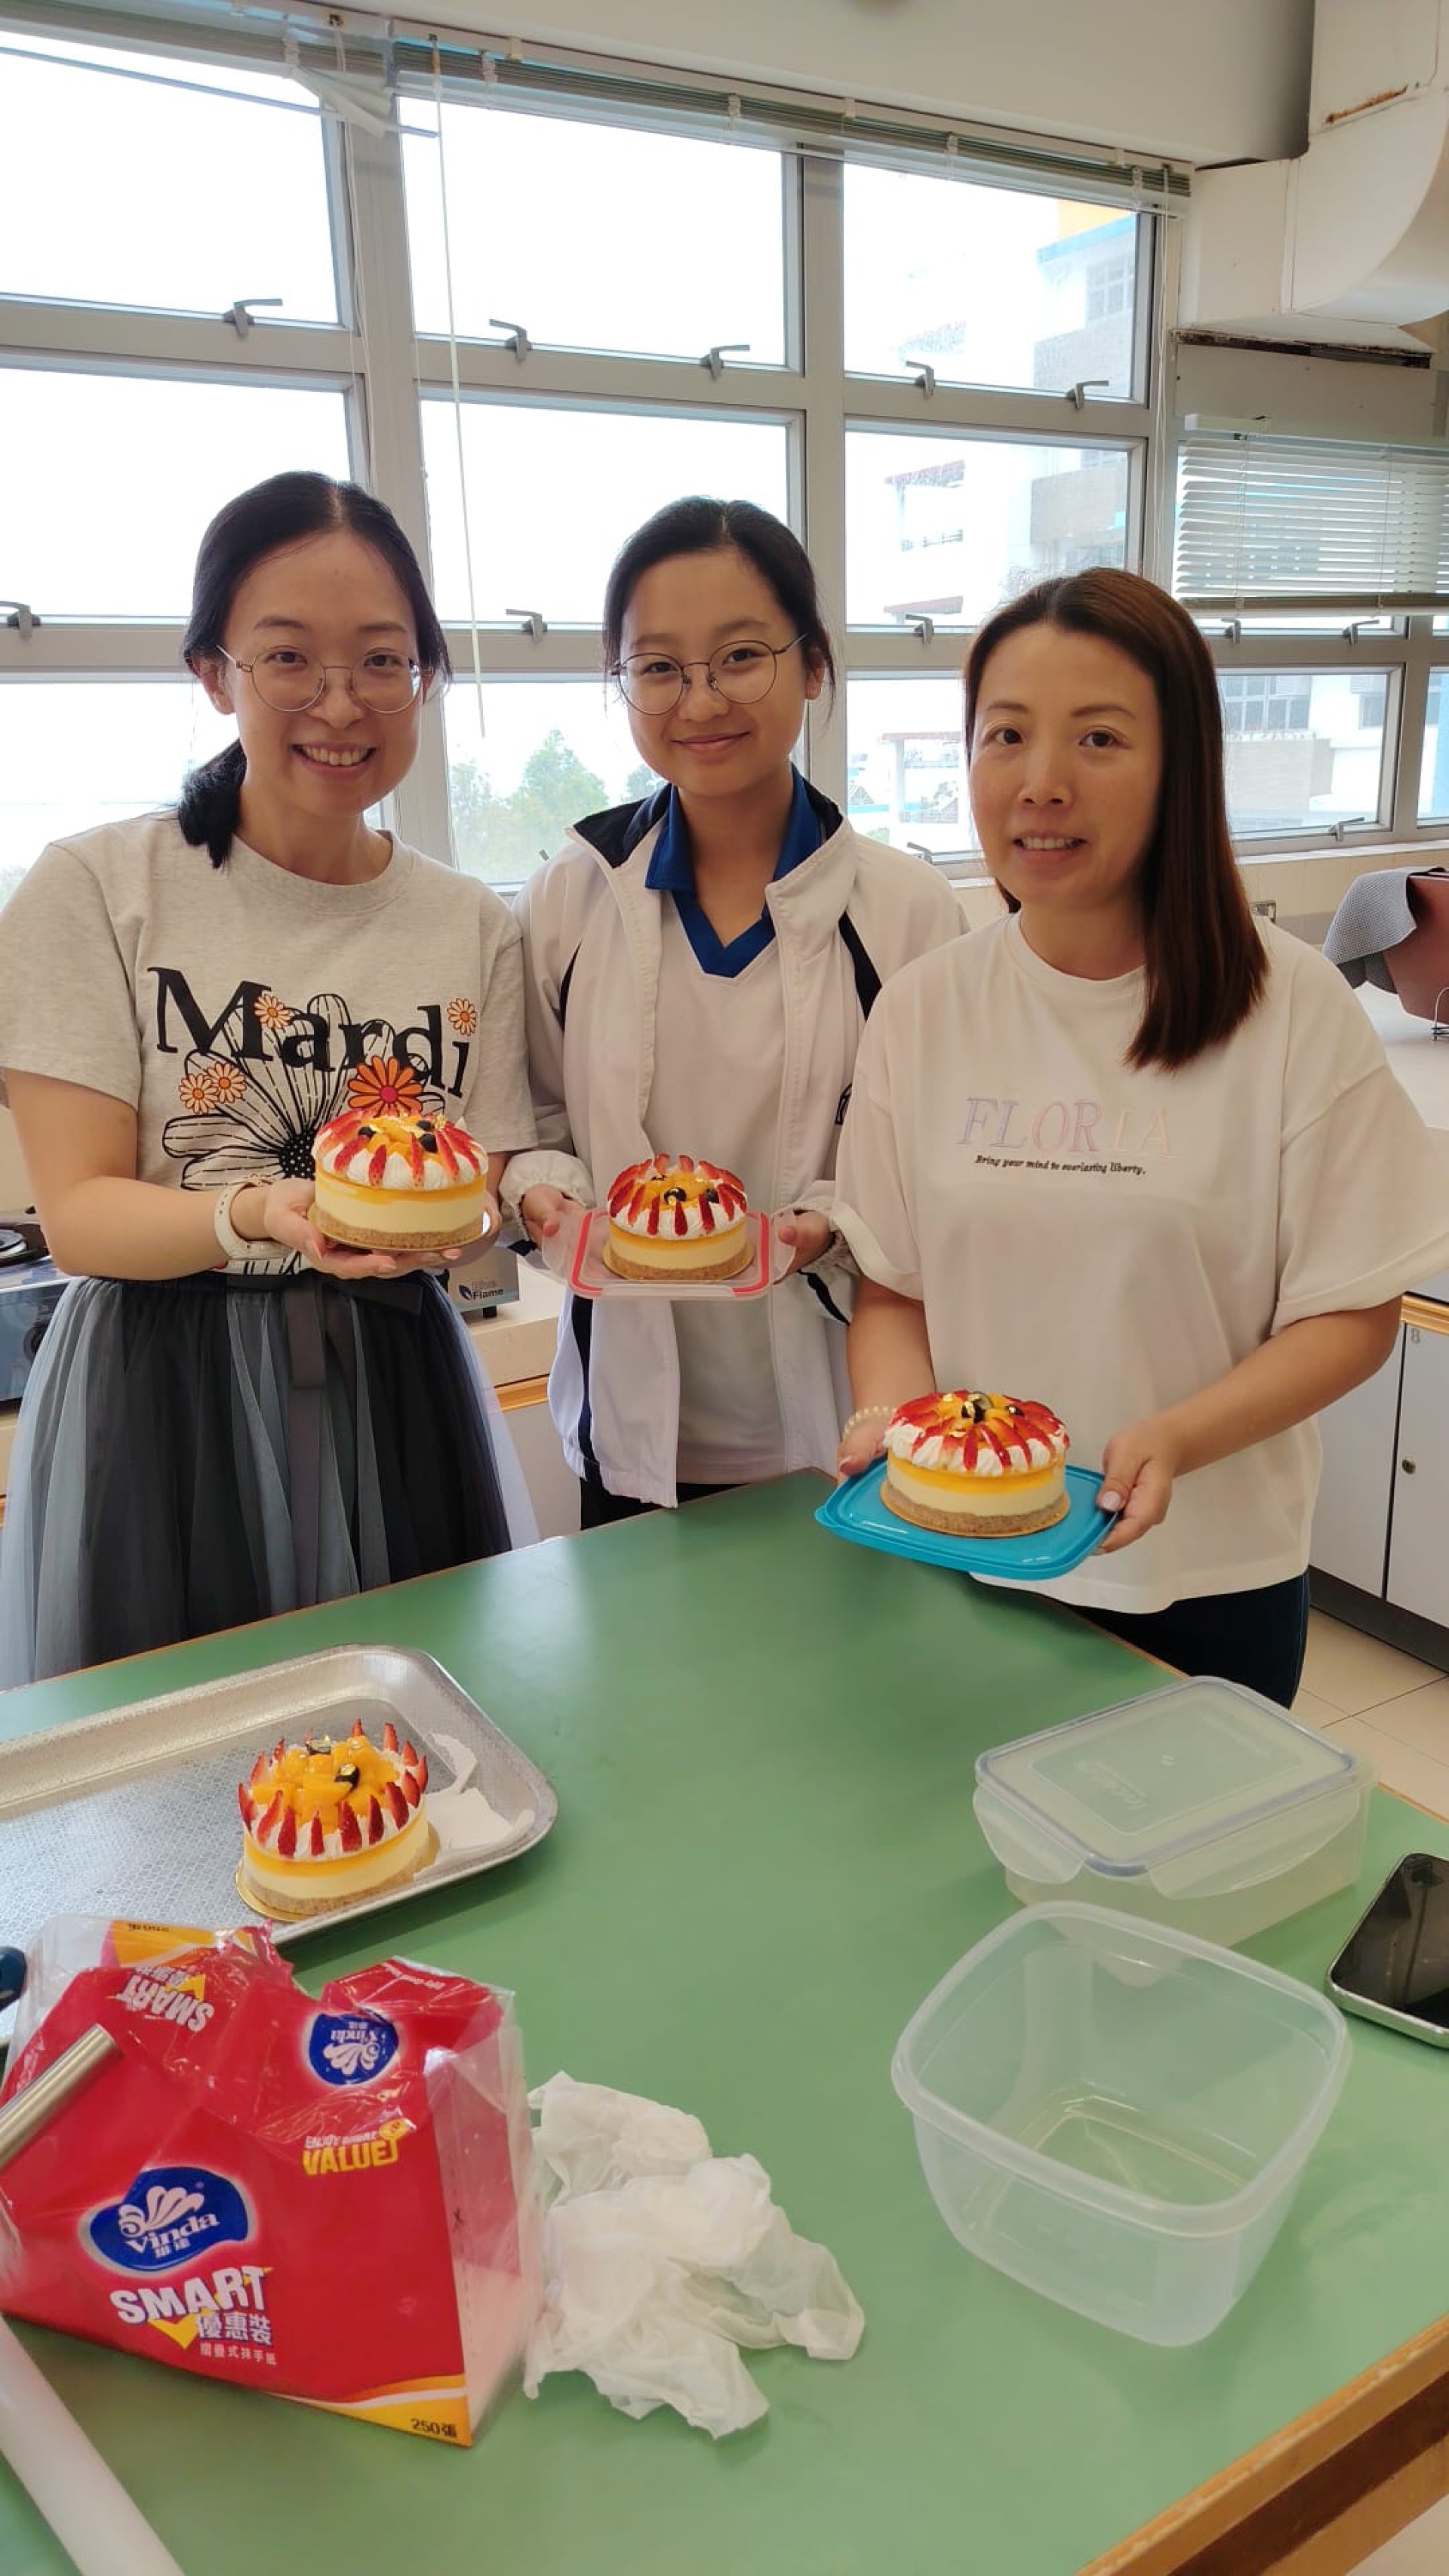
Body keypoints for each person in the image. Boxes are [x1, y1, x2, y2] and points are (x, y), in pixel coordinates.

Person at [832, 567, 1449, 1706]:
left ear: (1181, 768)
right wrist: (890, 1423)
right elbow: (892, 1291)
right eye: (1006, 735)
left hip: (1206, 1581)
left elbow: (1353, 1313)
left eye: (1099, 738)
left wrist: (1179, 1436)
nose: (1042, 782)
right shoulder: (923, 1009)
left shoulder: (1290, 1007)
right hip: (959, 1566)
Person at [0, 470, 536, 1684]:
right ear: (215, 672)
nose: (341, 704)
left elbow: (479, 1179)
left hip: (396, 1376)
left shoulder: (470, 923)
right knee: (179, 1748)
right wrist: (258, 1211)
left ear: (425, 676)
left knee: (413, 1730)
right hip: (165, 1393)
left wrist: (472, 1217)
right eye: (288, 658)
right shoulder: (98, 887)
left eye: (383, 661)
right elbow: (78, 1214)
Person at [500, 496, 962, 1524]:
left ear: (814, 664)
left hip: (848, 1423)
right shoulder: (571, 897)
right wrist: (544, 1196)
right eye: (658, 667)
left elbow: (934, 1171)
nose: (700, 700)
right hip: (630, 1433)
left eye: (741, 657)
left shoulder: (908, 913)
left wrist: (829, 1224)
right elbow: (529, 1119)